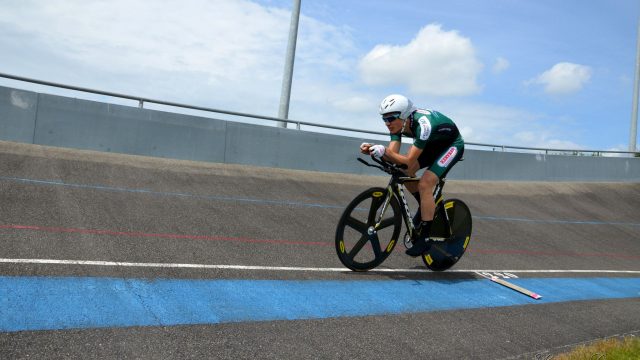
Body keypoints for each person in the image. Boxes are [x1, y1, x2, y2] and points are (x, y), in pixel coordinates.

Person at [360, 94, 464, 257]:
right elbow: (394, 157)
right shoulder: (397, 125)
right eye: (384, 119)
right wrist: (377, 151)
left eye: (391, 118)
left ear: (404, 115)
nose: (388, 123)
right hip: (431, 145)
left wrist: (384, 151)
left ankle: (426, 236)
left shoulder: (424, 126)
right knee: (402, 171)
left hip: (451, 146)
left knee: (425, 184)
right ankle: (426, 205)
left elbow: (408, 160)